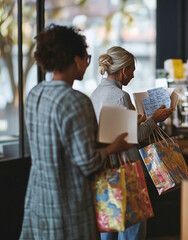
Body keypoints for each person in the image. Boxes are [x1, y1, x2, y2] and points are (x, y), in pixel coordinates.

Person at [20, 24, 133, 240]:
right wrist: (113, 147)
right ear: (75, 59)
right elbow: (88, 162)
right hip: (69, 204)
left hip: (39, 198)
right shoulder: (75, 101)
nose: (87, 63)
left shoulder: (35, 94)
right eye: (86, 57)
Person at [90, 46, 173, 240]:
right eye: (132, 71)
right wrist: (155, 119)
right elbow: (134, 137)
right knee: (133, 231)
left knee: (109, 229)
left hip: (105, 170)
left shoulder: (95, 94)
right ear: (123, 70)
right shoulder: (121, 96)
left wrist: (136, 121)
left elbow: (111, 131)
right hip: (127, 170)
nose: (133, 76)